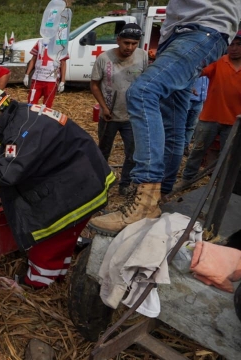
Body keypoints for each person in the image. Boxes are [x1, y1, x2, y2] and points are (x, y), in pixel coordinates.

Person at [88, 0, 240, 236]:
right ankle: (160, 194)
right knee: (174, 124)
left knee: (142, 91)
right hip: (182, 34)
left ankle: (146, 196)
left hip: (202, 29)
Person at [0, 86, 114, 288]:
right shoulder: (22, 113)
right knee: (65, 238)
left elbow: (8, 172)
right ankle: (57, 275)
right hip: (81, 172)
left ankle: (37, 283)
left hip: (78, 186)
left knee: (50, 236)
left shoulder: (21, 132)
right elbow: (13, 150)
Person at [174, 32, 241, 189]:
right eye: (232, 44)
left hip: (235, 122)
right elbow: (196, 71)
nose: (234, 48)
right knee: (198, 150)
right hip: (210, 117)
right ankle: (187, 179)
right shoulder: (218, 62)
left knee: (229, 155)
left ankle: (224, 185)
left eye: (239, 45)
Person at [90, 23, 148, 196]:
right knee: (103, 151)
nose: (129, 47)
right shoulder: (104, 58)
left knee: (132, 152)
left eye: (134, 44)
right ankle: (101, 183)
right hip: (110, 115)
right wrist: (104, 106)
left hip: (132, 116)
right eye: (126, 43)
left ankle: (125, 184)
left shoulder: (142, 56)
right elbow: (94, 85)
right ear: (118, 40)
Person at [24, 38, 68, 108]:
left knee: (47, 104)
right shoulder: (40, 42)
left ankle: (44, 117)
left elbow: (63, 63)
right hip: (37, 78)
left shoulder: (61, 43)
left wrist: (62, 81)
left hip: (51, 80)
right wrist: (27, 74)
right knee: (31, 102)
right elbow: (33, 59)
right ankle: (31, 117)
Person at [183, 75, 209, 154]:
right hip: (187, 98)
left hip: (199, 100)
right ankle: (179, 147)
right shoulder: (194, 65)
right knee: (181, 125)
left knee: (191, 126)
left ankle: (185, 146)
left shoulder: (210, 67)